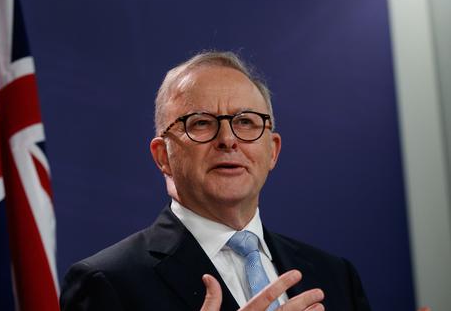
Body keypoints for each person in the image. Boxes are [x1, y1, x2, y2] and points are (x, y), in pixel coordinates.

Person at [60, 51, 369, 311]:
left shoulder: (335, 275)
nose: (228, 140)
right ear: (163, 156)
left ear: (272, 151)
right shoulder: (108, 281)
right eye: (202, 123)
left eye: (245, 122)